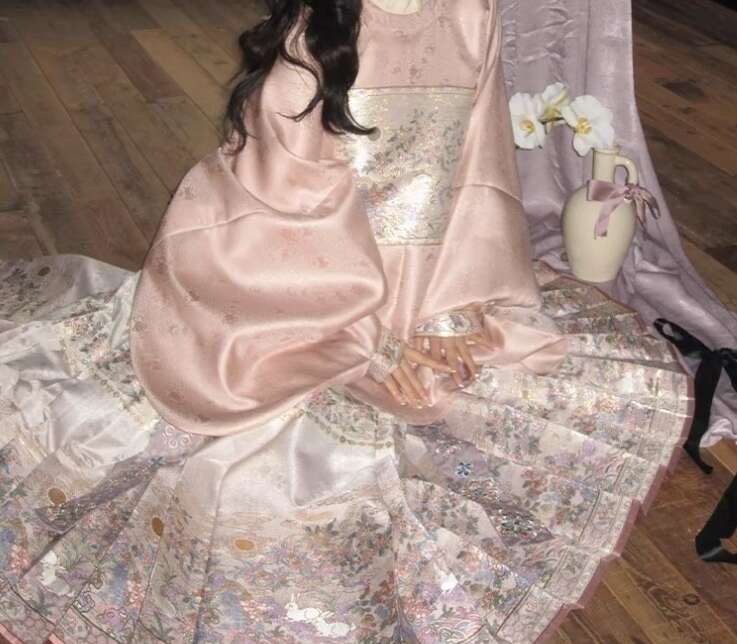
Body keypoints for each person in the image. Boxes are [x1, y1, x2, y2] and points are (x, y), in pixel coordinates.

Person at [0, 0, 693, 641]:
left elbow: (480, 174)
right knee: (284, 485)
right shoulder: (313, 43)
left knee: (592, 394)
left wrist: (451, 309)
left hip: (425, 281)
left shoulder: (469, 12)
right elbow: (274, 232)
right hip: (295, 299)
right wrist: (369, 345)